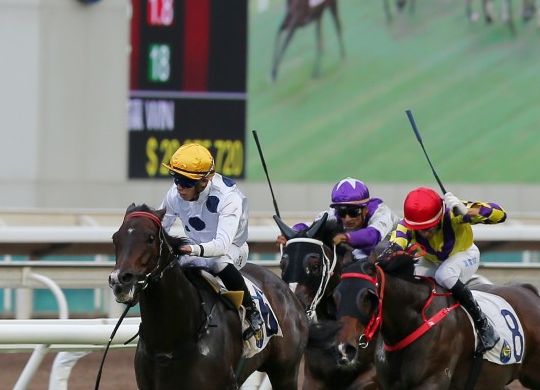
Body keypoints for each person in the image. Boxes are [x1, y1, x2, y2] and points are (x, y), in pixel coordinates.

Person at [159, 143, 263, 342]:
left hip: (231, 249)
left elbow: (222, 245)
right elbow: (161, 226)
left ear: (204, 182)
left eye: (185, 181)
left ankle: (252, 312)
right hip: (195, 245)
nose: (178, 186)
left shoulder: (229, 198)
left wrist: (190, 249)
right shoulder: (175, 193)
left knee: (217, 263)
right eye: (175, 178)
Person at [387, 187, 507, 354]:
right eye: (419, 229)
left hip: (463, 254)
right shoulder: (406, 225)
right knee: (410, 280)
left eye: (429, 227)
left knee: (445, 275)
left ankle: (485, 327)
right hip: (433, 260)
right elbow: (396, 244)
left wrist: (469, 212)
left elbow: (501, 214)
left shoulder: (454, 213)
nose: (424, 233)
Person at [277, 178, 397, 261]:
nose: (347, 218)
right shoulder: (333, 215)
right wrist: (290, 235)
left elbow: (372, 236)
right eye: (342, 212)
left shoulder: (381, 212)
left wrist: (347, 237)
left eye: (353, 212)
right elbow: (307, 226)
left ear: (365, 209)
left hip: (400, 257)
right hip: (367, 257)